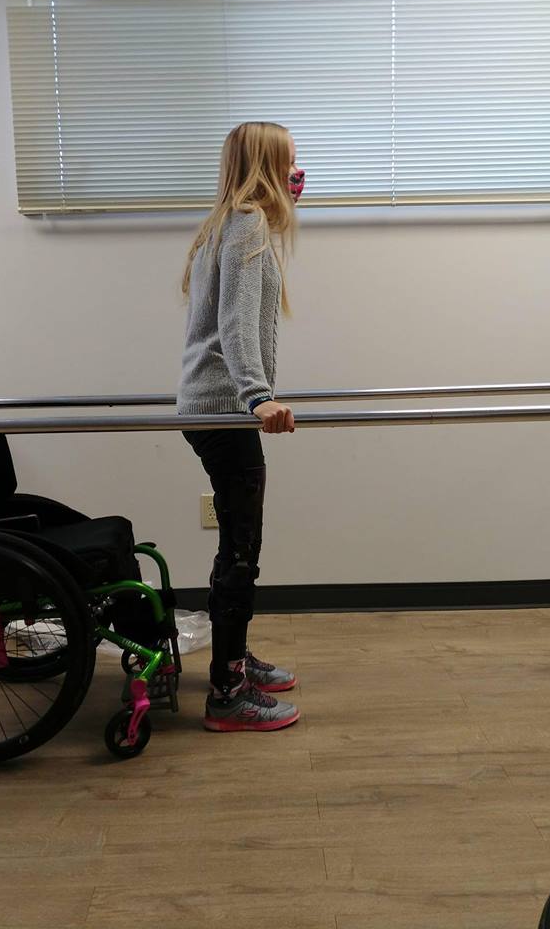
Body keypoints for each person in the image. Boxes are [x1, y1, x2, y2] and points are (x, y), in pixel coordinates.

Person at [177, 121, 306, 732]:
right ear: (267, 166)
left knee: (237, 547)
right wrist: (257, 397)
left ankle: (232, 660)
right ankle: (228, 693)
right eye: (290, 165)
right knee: (241, 553)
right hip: (225, 410)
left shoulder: (225, 222)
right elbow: (233, 325)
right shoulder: (248, 223)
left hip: (215, 408)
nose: (296, 177)